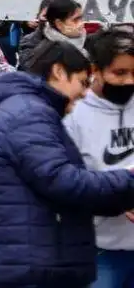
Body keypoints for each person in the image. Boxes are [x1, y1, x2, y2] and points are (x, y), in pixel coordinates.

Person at [0, 39, 134, 288]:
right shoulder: (29, 113)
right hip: (34, 258)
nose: (84, 92)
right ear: (59, 71)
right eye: (82, 82)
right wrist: (128, 181)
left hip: (38, 250)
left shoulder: (29, 108)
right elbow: (62, 180)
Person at [65, 29, 134, 287]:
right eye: (120, 73)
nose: (129, 81)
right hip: (97, 252)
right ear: (95, 69)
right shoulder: (71, 115)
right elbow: (61, 186)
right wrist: (117, 197)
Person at [18, 0, 85, 69]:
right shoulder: (36, 46)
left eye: (80, 18)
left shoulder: (88, 41)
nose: (48, 20)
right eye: (45, 16)